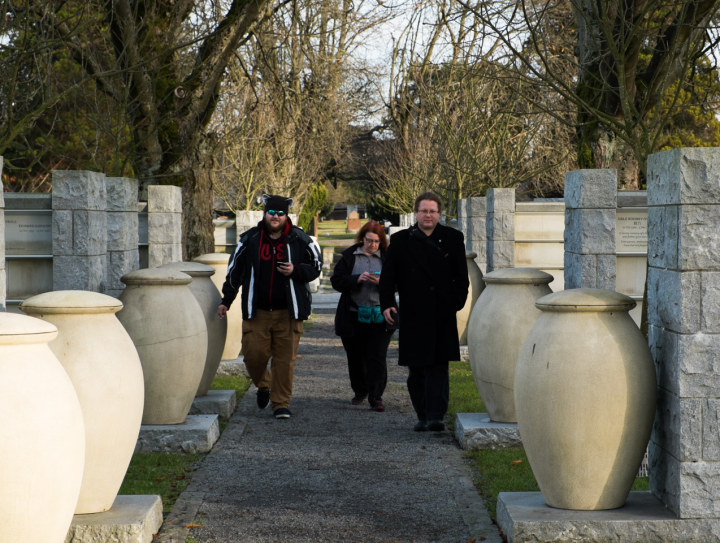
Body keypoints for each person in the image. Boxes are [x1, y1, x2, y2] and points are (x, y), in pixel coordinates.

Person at [217, 194, 322, 419]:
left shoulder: (301, 239)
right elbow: (235, 271)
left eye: (280, 213)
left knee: (285, 361)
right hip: (258, 312)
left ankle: (281, 403)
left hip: (289, 312)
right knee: (253, 356)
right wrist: (226, 300)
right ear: (265, 213)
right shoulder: (250, 239)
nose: (275, 217)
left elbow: (316, 266)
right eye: (271, 212)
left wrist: (296, 270)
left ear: (287, 216)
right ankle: (264, 384)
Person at [379, 192, 469, 432]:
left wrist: (454, 303)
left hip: (442, 312)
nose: (428, 215)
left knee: (438, 366)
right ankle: (422, 414)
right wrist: (387, 303)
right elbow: (388, 277)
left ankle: (436, 416)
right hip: (413, 312)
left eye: (432, 211)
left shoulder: (453, 238)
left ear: (439, 214)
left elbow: (462, 278)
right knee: (416, 368)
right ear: (416, 213)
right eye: (423, 211)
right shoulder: (400, 241)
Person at [331, 221, 393, 412]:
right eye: (369, 240)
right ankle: (360, 391)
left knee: (377, 356)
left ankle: (376, 396)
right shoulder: (350, 257)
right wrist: (356, 279)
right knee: (355, 356)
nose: (372, 245)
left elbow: (399, 283)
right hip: (353, 314)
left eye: (376, 242)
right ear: (362, 238)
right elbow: (337, 281)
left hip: (380, 314)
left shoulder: (388, 257)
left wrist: (381, 282)